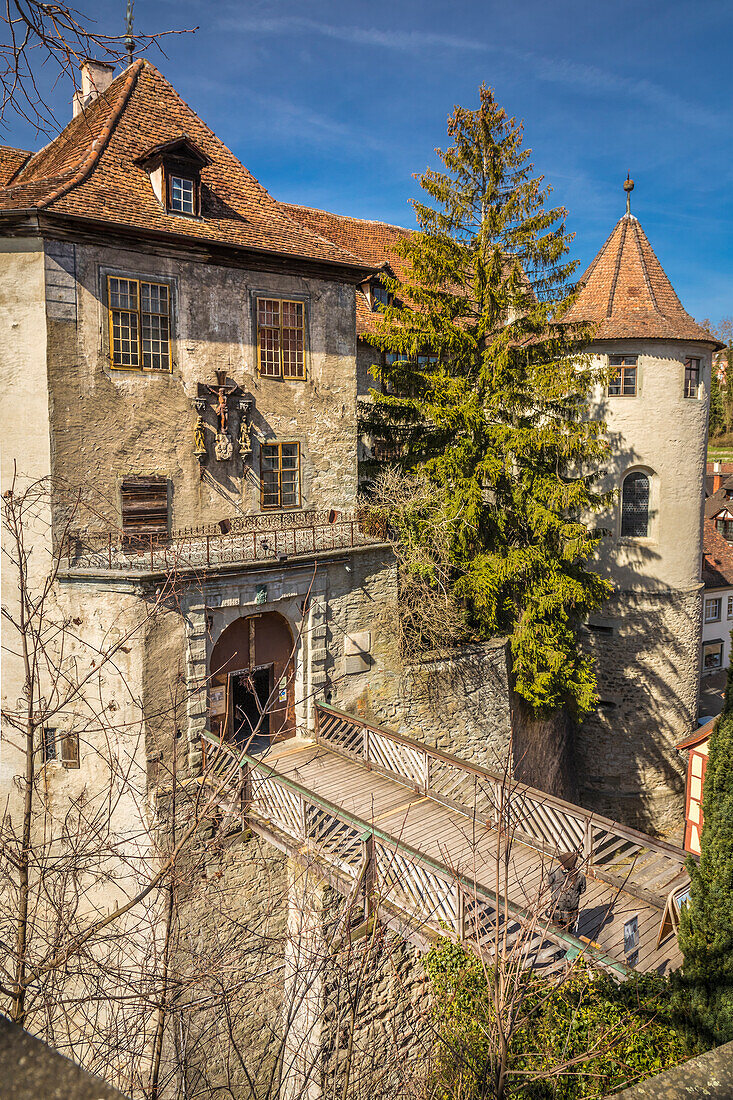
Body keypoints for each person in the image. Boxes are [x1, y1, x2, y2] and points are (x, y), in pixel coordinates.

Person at [546, 851, 586, 932]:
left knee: (568, 932)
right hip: (556, 908)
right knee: (555, 930)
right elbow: (549, 885)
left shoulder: (580, 877)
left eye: (562, 863)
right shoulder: (554, 871)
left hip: (570, 911)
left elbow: (582, 889)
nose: (560, 864)